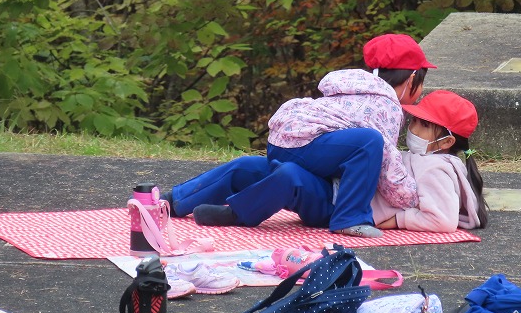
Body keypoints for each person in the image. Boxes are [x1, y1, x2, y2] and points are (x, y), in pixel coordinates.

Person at [164, 33, 436, 238]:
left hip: (285, 143)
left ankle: (174, 201)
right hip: (323, 177)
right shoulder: (387, 105)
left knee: (252, 167)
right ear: (412, 79)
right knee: (370, 142)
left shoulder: (350, 90)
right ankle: (350, 217)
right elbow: (387, 161)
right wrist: (412, 199)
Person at [372, 90, 489, 232]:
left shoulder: (433, 169)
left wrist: (398, 220)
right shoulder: (425, 159)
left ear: (446, 142)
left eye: (424, 125)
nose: (413, 129)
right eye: (414, 120)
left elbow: (443, 220)